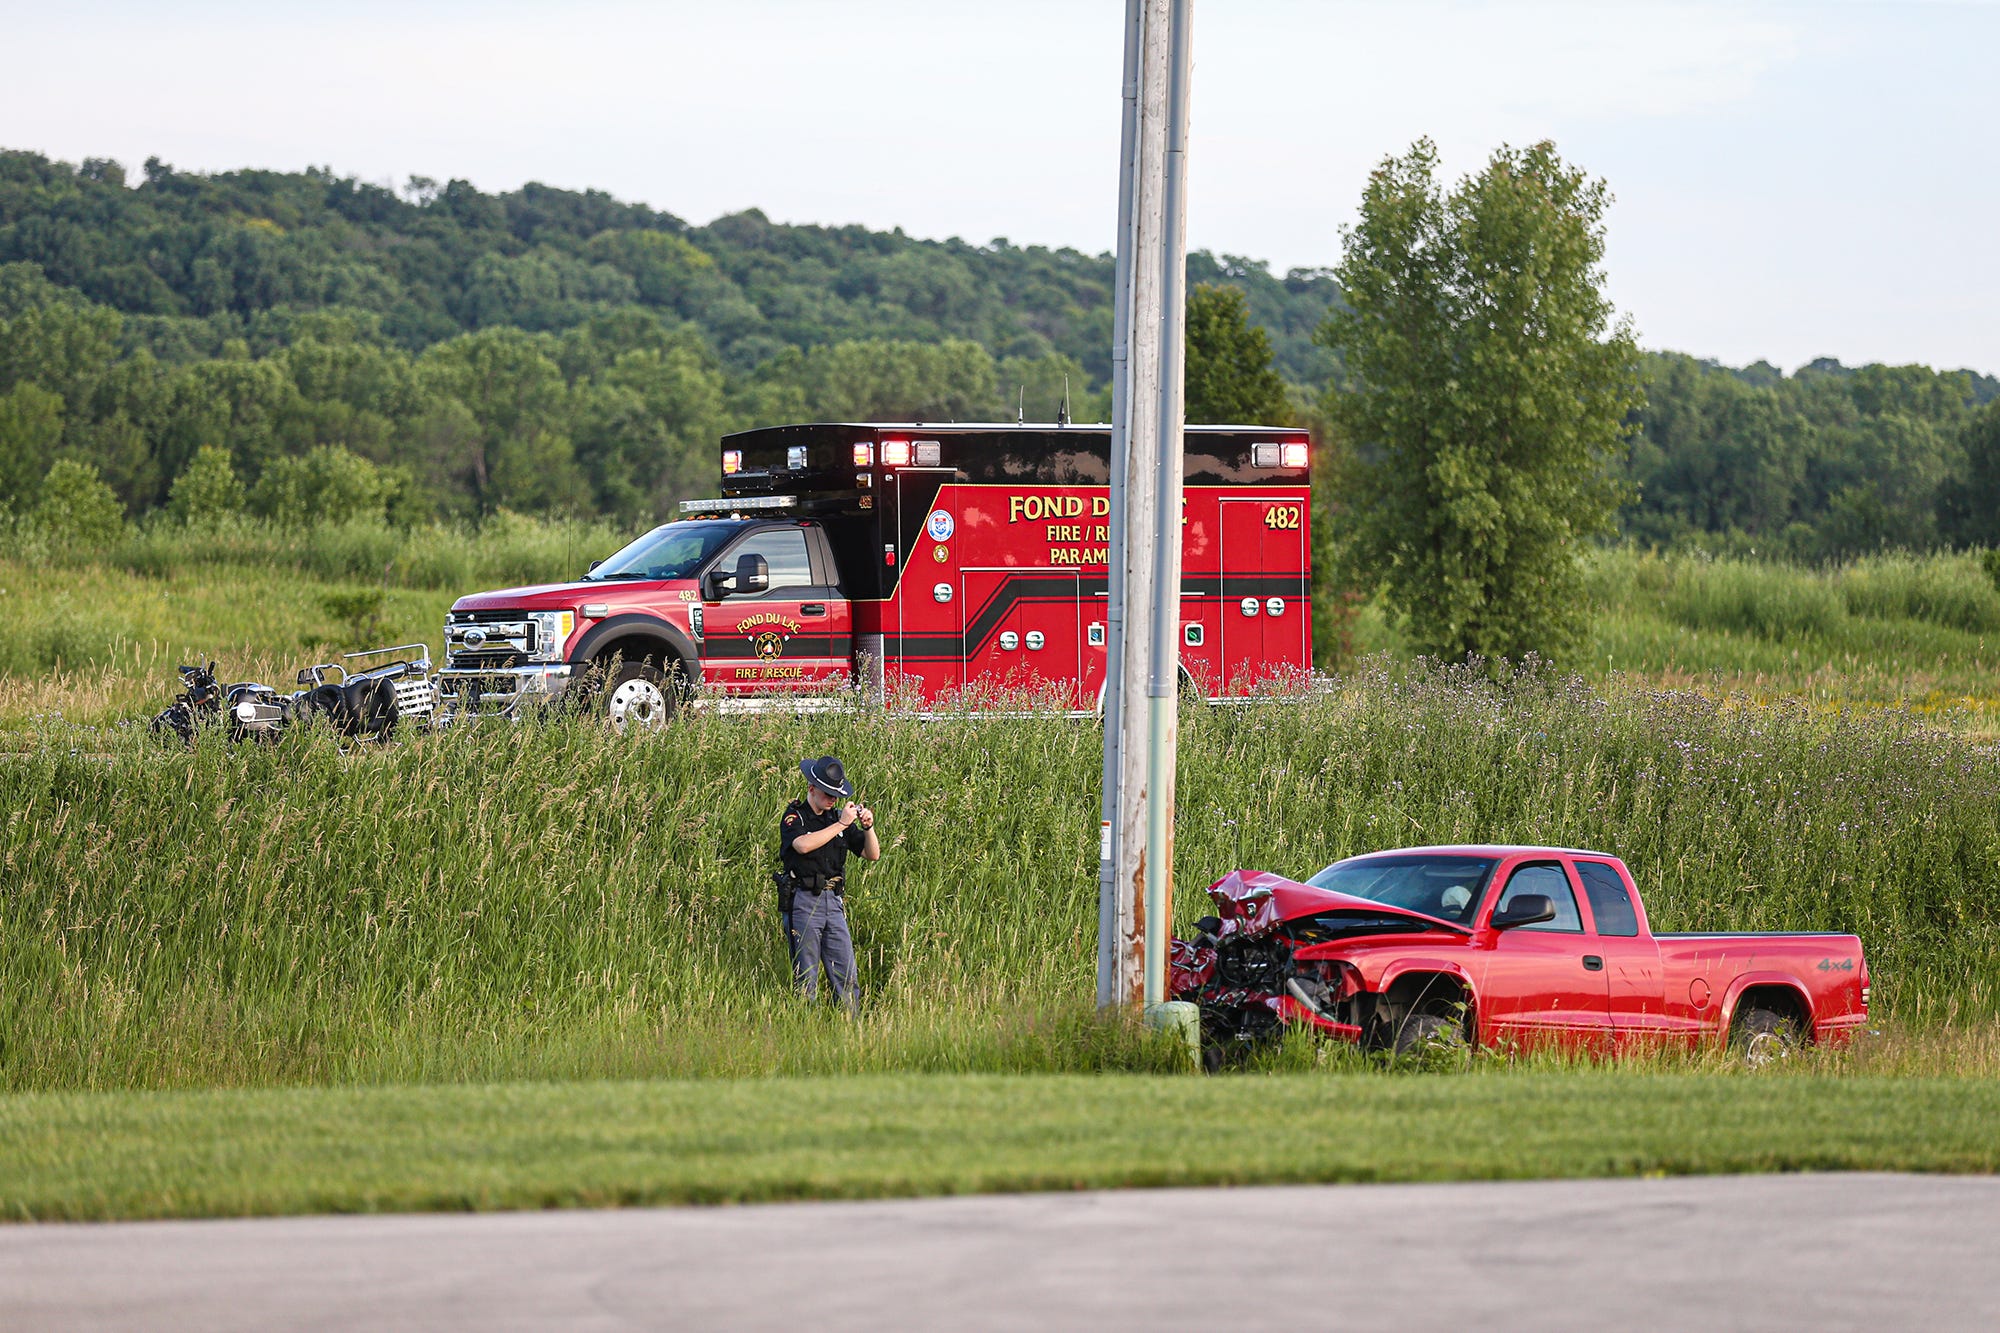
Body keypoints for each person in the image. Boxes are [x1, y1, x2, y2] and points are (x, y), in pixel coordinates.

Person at [779, 755, 880, 1010]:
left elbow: (872, 854)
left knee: (846, 972)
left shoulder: (836, 818)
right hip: (803, 899)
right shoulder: (796, 817)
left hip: (833, 900)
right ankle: (805, 1027)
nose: (832, 799)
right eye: (827, 793)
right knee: (806, 975)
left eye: (836, 794)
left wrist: (868, 828)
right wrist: (842, 823)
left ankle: (848, 1026)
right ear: (812, 788)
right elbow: (802, 845)